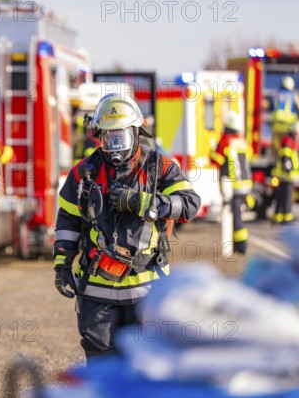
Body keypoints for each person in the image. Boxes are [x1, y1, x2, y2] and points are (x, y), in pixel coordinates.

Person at [53, 93, 200, 359]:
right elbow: (68, 220)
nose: (114, 145)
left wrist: (145, 203)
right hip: (98, 291)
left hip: (147, 290)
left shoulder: (160, 167)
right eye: (108, 138)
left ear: (136, 132)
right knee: (101, 365)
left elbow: (189, 204)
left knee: (146, 365)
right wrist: (62, 265)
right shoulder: (83, 173)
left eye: (120, 137)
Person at [209, 111, 253, 253]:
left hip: (232, 185)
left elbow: (217, 160)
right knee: (239, 215)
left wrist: (212, 151)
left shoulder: (225, 140)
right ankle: (239, 244)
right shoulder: (242, 140)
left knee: (235, 217)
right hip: (245, 184)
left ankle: (240, 246)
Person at [272, 121, 299, 224]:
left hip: (287, 176)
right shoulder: (288, 141)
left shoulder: (292, 142)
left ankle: (278, 216)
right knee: (286, 197)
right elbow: (285, 157)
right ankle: (286, 217)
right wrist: (287, 167)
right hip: (286, 176)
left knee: (281, 197)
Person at [271, 75, 298, 153]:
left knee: (277, 147)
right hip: (288, 126)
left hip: (276, 125)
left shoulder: (274, 95)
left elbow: (271, 108)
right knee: (287, 146)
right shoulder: (294, 96)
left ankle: (277, 162)